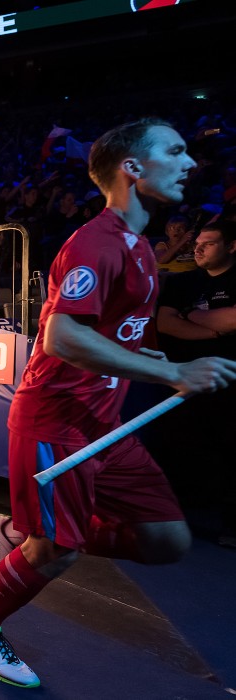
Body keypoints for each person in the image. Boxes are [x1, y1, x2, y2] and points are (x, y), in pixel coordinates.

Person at [0, 118, 236, 689]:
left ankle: (18, 535)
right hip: (54, 423)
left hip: (106, 427)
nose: (189, 163)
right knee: (56, 552)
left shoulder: (142, 250)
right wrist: (179, 367)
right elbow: (63, 338)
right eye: (175, 152)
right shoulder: (95, 243)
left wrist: (166, 368)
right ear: (133, 168)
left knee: (167, 541)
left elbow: (123, 339)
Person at [154, 219, 236, 543]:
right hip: (184, 378)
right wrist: (217, 328)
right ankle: (176, 517)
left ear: (231, 247)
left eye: (209, 242)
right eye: (197, 243)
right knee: (180, 446)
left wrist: (191, 316)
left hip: (229, 381)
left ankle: (231, 525)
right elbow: (165, 324)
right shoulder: (181, 282)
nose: (198, 248)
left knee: (230, 448)